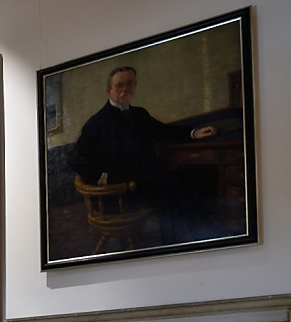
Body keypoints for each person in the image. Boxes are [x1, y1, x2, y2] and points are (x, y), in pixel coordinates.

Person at [68, 66, 217, 243]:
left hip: (146, 181)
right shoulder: (96, 123)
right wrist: (102, 177)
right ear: (109, 91)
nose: (125, 89)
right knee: (169, 194)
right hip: (120, 191)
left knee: (182, 183)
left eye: (129, 84)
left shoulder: (139, 114)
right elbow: (75, 157)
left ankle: (205, 239)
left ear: (135, 85)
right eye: (119, 86)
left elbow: (163, 131)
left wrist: (193, 133)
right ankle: (178, 245)